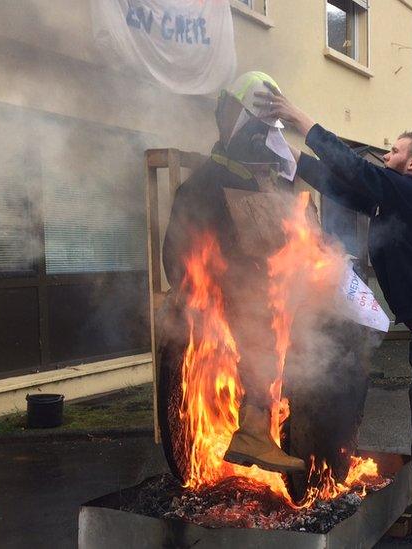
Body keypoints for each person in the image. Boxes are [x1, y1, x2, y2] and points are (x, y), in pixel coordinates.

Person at [256, 83, 412, 549]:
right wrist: (291, 161)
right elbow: (346, 185)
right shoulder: (396, 202)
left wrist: (302, 122)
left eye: (394, 150)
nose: (386, 154)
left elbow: (356, 171)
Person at [162, 71, 305, 474]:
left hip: (247, 295)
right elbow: (179, 258)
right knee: (261, 348)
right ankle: (253, 435)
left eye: (266, 132)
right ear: (231, 117)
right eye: (257, 129)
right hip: (224, 304)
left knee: (270, 348)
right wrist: (208, 294)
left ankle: (254, 433)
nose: (262, 140)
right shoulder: (208, 184)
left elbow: (277, 240)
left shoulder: (253, 181)